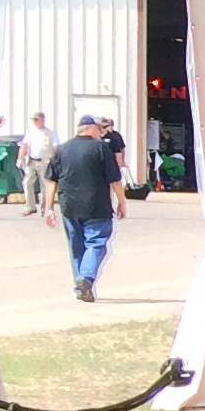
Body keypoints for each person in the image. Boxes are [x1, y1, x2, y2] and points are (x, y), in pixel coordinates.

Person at [48, 114, 127, 303]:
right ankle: (85, 278)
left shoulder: (62, 149)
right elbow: (114, 179)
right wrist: (122, 202)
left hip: (69, 207)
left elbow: (51, 180)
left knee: (76, 247)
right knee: (96, 243)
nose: (101, 133)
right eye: (99, 129)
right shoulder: (101, 149)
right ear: (90, 129)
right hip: (96, 206)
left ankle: (81, 287)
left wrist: (49, 207)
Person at [21, 112, 56, 222]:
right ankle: (30, 206)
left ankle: (45, 207)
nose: (35, 122)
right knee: (27, 182)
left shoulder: (50, 133)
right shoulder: (30, 131)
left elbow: (56, 147)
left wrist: (55, 160)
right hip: (31, 160)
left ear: (42, 120)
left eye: (37, 119)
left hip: (44, 162)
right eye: (33, 120)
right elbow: (24, 145)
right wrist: (20, 158)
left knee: (45, 185)